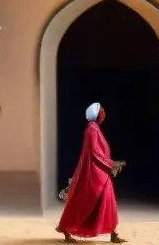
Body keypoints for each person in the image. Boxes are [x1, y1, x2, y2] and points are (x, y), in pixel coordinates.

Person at [56, 102, 127, 243]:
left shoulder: (94, 129)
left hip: (100, 172)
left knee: (107, 202)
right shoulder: (92, 130)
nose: (104, 114)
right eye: (102, 111)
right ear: (97, 114)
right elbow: (95, 152)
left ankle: (113, 233)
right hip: (95, 173)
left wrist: (109, 165)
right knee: (84, 202)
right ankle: (66, 228)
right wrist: (111, 164)